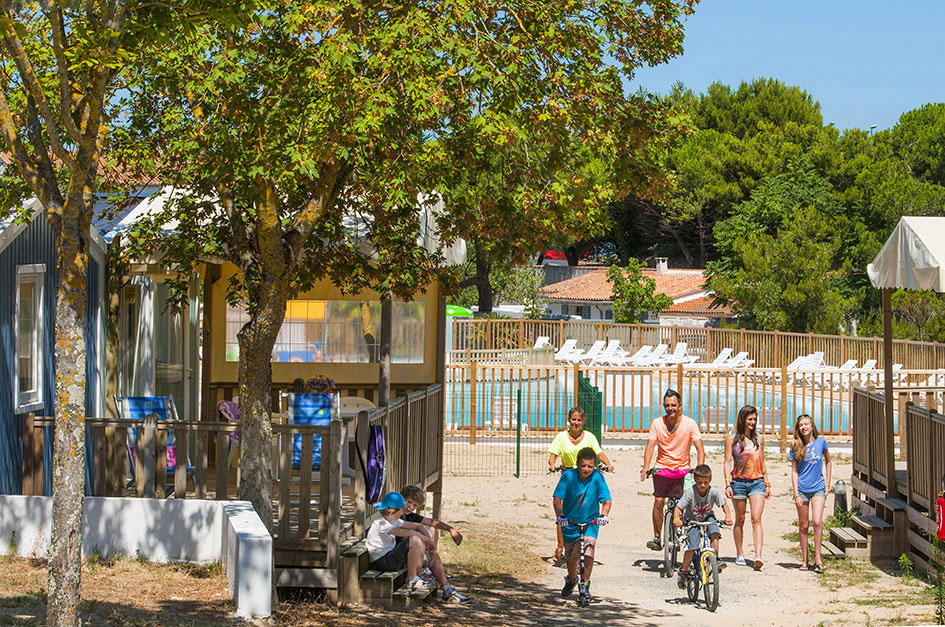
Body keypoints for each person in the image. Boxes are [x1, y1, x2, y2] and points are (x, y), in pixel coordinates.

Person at [365, 491, 469, 603]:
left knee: (432, 556)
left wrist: (429, 544)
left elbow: (417, 526)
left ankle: (447, 590)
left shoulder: (393, 521)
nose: (402, 512)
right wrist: (429, 541)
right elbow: (409, 533)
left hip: (392, 557)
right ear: (393, 511)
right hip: (383, 561)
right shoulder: (381, 524)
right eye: (401, 510)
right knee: (415, 539)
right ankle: (412, 579)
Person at [640, 389, 705, 551]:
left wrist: (700, 469)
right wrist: (646, 467)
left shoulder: (690, 424)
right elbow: (650, 447)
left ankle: (688, 533)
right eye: (667, 405)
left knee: (687, 500)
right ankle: (657, 537)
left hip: (683, 468)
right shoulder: (657, 423)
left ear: (680, 406)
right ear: (664, 406)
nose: (671, 409)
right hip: (663, 467)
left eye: (674, 405)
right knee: (659, 501)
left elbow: (700, 449)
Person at [548, 406, 614, 559]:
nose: (576, 423)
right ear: (569, 420)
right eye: (573, 420)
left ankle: (585, 542)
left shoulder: (589, 437)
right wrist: (552, 465)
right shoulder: (561, 437)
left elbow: (599, 453)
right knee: (562, 509)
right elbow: (553, 455)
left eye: (579, 420)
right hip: (569, 476)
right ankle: (561, 544)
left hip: (587, 476)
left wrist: (608, 464)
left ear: (583, 421)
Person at [553, 447, 612, 602]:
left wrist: (604, 515)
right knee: (571, 556)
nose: (586, 469)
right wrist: (560, 516)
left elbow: (606, 499)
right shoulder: (568, 477)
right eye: (583, 466)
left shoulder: (597, 477)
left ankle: (585, 584)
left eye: (590, 466)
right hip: (570, 522)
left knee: (588, 550)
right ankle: (572, 579)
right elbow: (557, 499)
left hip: (590, 522)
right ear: (577, 464)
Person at [724, 404, 771, 570]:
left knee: (756, 518)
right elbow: (727, 462)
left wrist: (767, 482)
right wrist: (727, 483)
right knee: (740, 519)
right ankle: (740, 553)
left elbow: (761, 461)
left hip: (757, 482)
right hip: (738, 482)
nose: (753, 422)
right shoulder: (732, 440)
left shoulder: (759, 439)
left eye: (755, 419)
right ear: (743, 420)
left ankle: (758, 555)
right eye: (750, 419)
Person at [673, 464, 733, 589]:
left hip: (707, 517)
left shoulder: (713, 491)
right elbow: (678, 507)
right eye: (699, 482)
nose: (703, 485)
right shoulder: (690, 492)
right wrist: (676, 519)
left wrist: (728, 516)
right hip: (692, 520)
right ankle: (684, 570)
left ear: (710, 480)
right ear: (695, 480)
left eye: (706, 482)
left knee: (714, 533)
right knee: (692, 545)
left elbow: (724, 505)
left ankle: (715, 559)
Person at [789, 414, 832, 573]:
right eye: (801, 425)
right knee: (804, 525)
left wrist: (828, 483)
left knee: (817, 522)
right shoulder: (796, 445)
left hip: (818, 487)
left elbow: (828, 461)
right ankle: (805, 560)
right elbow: (794, 470)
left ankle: (818, 559)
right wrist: (796, 493)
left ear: (812, 426)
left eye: (806, 424)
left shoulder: (821, 442)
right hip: (802, 489)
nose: (804, 427)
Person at [400, 484, 464, 553]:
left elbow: (432, 522)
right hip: (398, 550)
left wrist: (450, 529)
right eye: (409, 502)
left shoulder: (410, 516)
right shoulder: (395, 515)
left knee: (432, 529)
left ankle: (432, 555)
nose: (411, 507)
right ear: (402, 499)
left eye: (415, 505)